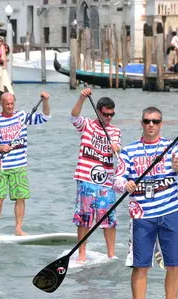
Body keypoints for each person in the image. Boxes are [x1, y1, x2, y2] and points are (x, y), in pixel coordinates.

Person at [113, 106, 178, 299]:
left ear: (161, 124)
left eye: (155, 121)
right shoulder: (129, 151)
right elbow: (116, 181)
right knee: (140, 266)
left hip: (169, 213)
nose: (151, 124)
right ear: (142, 123)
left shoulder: (172, 147)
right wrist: (126, 184)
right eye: (147, 121)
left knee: (175, 264)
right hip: (141, 216)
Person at [0, 92, 51, 236]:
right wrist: (1, 147)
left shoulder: (22, 116)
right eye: (7, 104)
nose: (10, 106)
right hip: (1, 164)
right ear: (1, 104)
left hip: (19, 164)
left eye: (11, 103)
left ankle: (18, 229)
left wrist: (46, 101)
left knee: (20, 197)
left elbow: (45, 117)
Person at [70, 88, 121, 263]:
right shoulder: (87, 125)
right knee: (84, 217)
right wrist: (82, 98)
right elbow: (74, 116)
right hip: (86, 178)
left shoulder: (114, 130)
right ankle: (82, 253)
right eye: (106, 114)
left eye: (112, 115)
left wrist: (116, 148)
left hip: (106, 181)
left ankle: (111, 254)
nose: (109, 118)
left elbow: (116, 144)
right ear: (98, 112)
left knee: (109, 218)